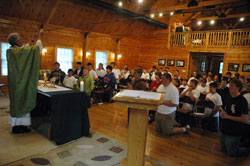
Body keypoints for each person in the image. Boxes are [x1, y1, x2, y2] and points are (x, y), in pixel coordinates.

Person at [7, 31, 43, 134]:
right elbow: (29, 51)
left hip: (15, 82)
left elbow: (24, 50)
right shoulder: (17, 51)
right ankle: (18, 127)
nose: (22, 39)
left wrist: (33, 39)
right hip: (20, 83)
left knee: (17, 103)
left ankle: (19, 125)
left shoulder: (12, 51)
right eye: (20, 38)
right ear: (17, 42)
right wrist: (39, 40)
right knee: (22, 100)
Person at [220, 79, 249, 157]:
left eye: (232, 86)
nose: (229, 87)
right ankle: (238, 144)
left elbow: (244, 119)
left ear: (238, 88)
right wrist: (222, 113)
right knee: (223, 150)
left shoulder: (242, 100)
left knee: (232, 152)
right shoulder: (228, 98)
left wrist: (227, 116)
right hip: (224, 128)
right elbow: (224, 110)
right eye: (229, 85)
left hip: (234, 130)